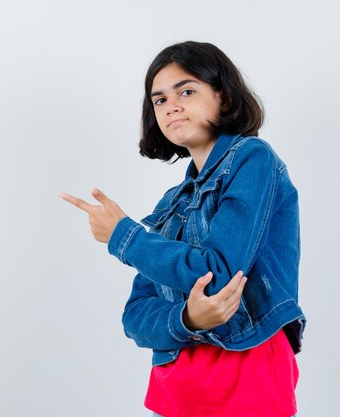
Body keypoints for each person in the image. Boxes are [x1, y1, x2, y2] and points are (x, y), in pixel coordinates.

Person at [60, 41, 305, 417]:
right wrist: (187, 319)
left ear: (223, 97)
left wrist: (124, 236)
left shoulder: (253, 160)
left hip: (246, 377)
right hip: (176, 391)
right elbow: (136, 317)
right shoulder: (171, 203)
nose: (170, 105)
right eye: (158, 100)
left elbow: (219, 273)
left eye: (186, 91)